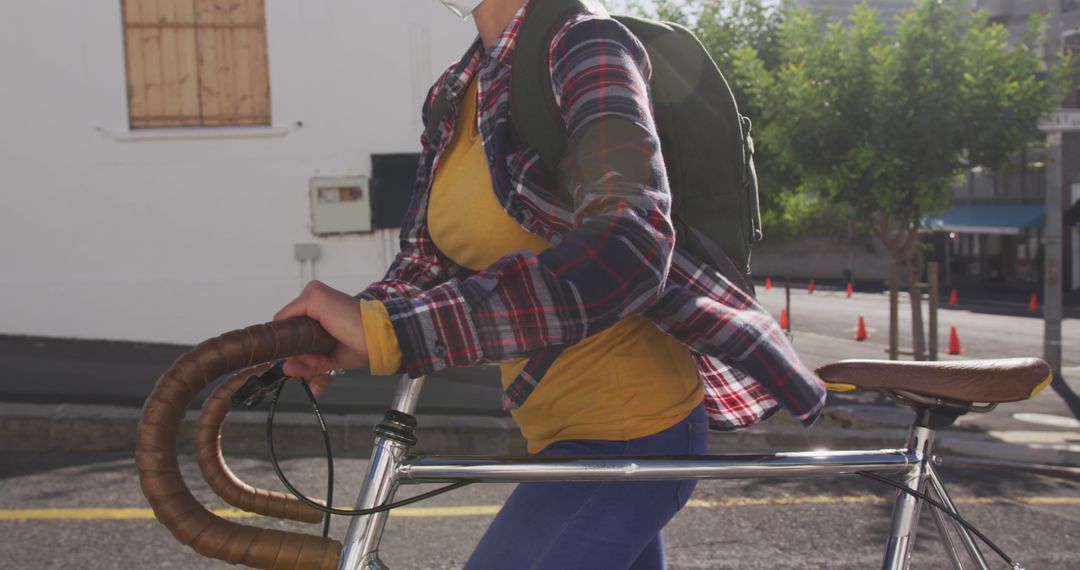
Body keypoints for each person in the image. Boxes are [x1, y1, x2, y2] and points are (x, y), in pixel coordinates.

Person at [273, 0, 826, 567]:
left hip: (630, 426)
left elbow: (631, 244)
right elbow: (425, 261)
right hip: (553, 432)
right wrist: (336, 332)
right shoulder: (454, 92)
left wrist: (392, 333)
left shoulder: (587, 44)